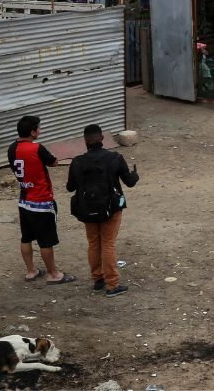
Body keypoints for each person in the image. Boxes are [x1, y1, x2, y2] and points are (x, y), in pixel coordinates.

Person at [66, 124, 139, 297]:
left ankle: (98, 279)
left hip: (86, 209)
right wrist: (135, 175)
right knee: (108, 243)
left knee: (93, 242)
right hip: (110, 208)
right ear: (102, 139)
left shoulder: (77, 162)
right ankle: (112, 284)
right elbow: (129, 181)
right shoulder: (115, 158)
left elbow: (70, 187)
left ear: (85, 141)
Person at [7, 115, 74, 285]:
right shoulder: (37, 148)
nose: (40, 130)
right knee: (46, 240)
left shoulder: (12, 148)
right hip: (41, 201)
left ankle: (31, 271)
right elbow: (53, 163)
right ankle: (53, 274)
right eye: (38, 128)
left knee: (26, 237)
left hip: (24, 200)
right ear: (32, 132)